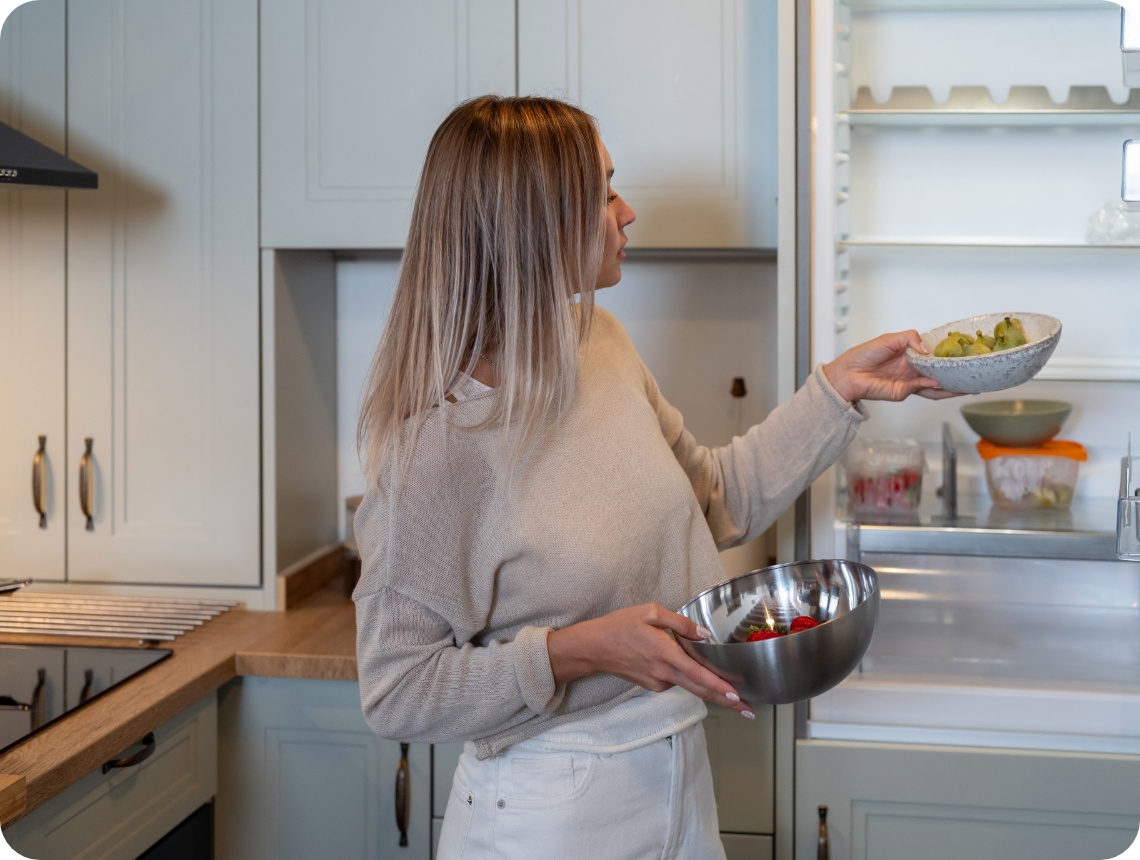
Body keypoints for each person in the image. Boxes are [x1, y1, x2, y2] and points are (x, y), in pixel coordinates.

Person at [353, 95, 953, 859]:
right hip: (546, 808)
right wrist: (577, 649)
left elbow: (716, 501)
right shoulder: (438, 443)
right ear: (533, 222)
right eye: (604, 192)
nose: (627, 211)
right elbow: (397, 689)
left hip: (676, 770)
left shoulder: (597, 340)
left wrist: (840, 389)